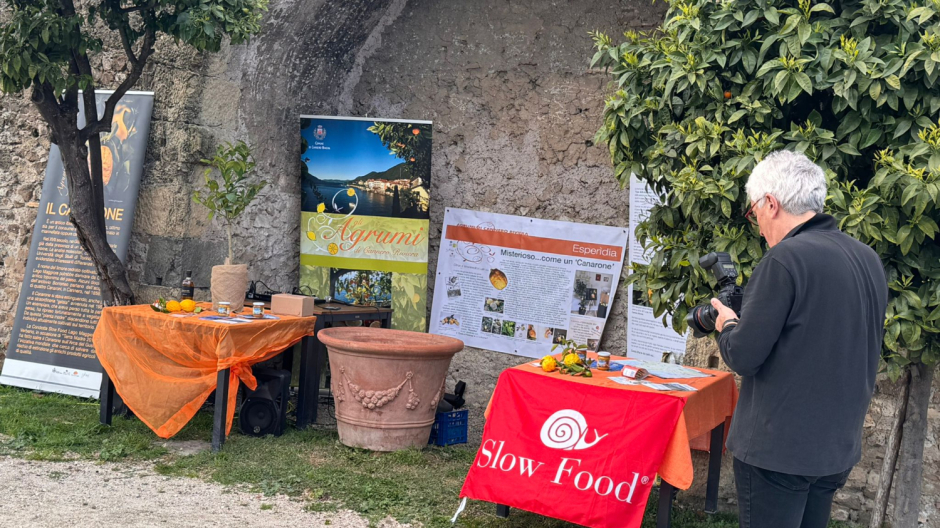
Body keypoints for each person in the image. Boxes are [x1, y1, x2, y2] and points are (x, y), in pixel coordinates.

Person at [708, 150, 888, 528]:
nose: (757, 224)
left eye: (754, 211)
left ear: (770, 203)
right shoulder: (867, 257)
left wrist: (726, 323)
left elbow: (743, 355)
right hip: (834, 449)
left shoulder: (785, 259)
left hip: (778, 452)